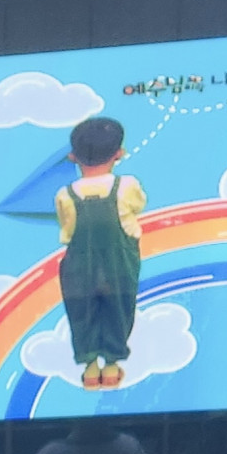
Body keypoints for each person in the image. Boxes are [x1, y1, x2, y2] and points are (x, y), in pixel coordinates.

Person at [55, 116, 146, 390]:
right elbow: (138, 206)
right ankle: (113, 363)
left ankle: (90, 367)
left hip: (79, 264)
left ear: (72, 157)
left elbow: (67, 228)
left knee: (82, 311)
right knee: (119, 308)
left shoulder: (65, 194)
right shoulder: (127, 186)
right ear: (119, 153)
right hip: (119, 262)